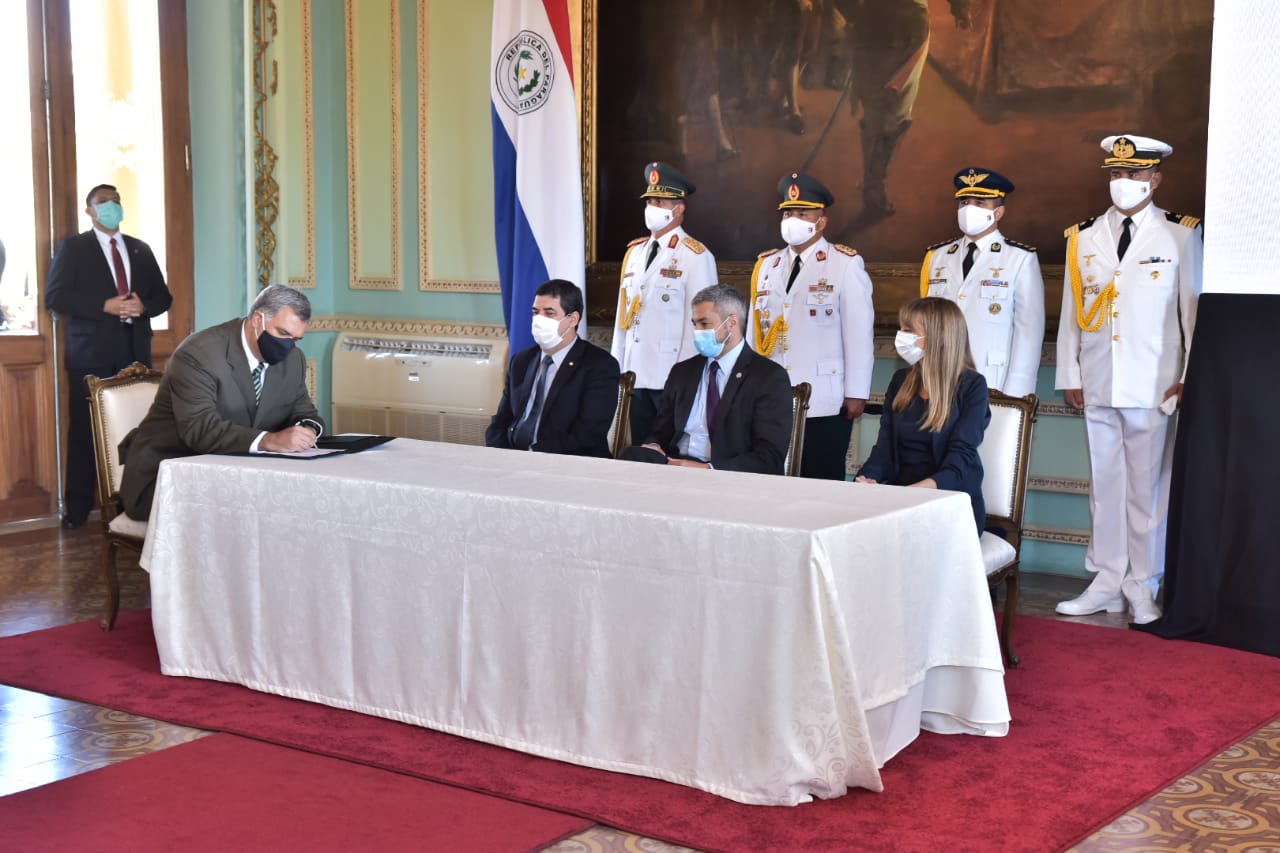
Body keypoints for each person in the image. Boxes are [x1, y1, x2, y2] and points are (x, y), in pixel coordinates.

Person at [1055, 134, 1202, 625]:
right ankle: (1105, 581)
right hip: (1098, 380)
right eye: (1117, 174)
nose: (1124, 182)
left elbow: (1192, 315)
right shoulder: (1083, 236)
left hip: (1152, 384)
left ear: (1155, 179)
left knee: (1147, 490)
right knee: (1105, 487)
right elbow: (1071, 314)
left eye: (1135, 174)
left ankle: (1143, 584)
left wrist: (1188, 376)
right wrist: (1070, 372)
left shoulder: (1180, 235)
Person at [118, 284, 323, 521]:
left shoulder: (293, 359)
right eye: (284, 334)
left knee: (299, 506)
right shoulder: (198, 354)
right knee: (254, 513)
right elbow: (199, 427)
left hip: (242, 473)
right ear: (258, 319)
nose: (289, 345)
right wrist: (270, 440)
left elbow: (304, 410)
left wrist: (307, 430)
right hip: (169, 473)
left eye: (296, 339)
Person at [46, 184, 173, 528]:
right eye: (103, 202)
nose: (112, 206)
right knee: (87, 432)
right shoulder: (74, 248)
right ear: (90, 210)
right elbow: (55, 296)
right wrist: (103, 305)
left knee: (134, 432)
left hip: (135, 353)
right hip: (91, 355)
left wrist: (143, 306)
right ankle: (77, 510)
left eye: (116, 200)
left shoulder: (140, 249)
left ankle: (131, 505)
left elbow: (164, 297)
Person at [748, 172, 874, 480]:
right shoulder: (767, 265)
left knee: (820, 481)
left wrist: (856, 392)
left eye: (803, 213)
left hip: (825, 399)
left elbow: (859, 334)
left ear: (821, 220)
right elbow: (756, 333)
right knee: (772, 479)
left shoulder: (844, 264)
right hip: (773, 397)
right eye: (788, 212)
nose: (793, 219)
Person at [620, 283, 793, 475]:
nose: (697, 331)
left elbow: (769, 457)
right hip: (674, 468)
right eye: (694, 324)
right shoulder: (682, 371)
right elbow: (661, 431)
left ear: (731, 323)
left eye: (704, 324)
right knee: (627, 457)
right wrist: (653, 445)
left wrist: (708, 469)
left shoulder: (768, 377)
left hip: (726, 474)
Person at [856, 297, 990, 534]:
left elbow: (960, 459)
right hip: (902, 499)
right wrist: (868, 480)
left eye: (909, 331)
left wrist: (915, 492)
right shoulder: (901, 381)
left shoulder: (972, 386)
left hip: (950, 503)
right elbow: (884, 449)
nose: (901, 336)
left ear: (939, 337)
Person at [612, 162, 718, 445]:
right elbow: (623, 320)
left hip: (671, 379)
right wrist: (618, 367)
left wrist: (689, 381)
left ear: (679, 208)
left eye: (660, 201)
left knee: (671, 455)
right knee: (641, 455)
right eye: (650, 200)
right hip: (635, 376)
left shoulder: (695, 256)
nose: (653, 206)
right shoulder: (634, 253)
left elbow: (703, 325)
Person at [920, 167, 1045, 397]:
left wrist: (1016, 392)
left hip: (992, 380)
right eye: (964, 202)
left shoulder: (1019, 258)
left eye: (980, 203)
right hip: (939, 378)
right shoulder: (937, 256)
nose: (969, 209)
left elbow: (1029, 331)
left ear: (998, 213)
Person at [487, 278, 620, 458]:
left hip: (568, 465)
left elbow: (588, 434)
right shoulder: (522, 360)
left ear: (573, 319)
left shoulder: (600, 365)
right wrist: (499, 455)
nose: (539, 320)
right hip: (512, 459)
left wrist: (533, 455)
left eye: (549, 313)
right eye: (536, 312)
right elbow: (501, 421)